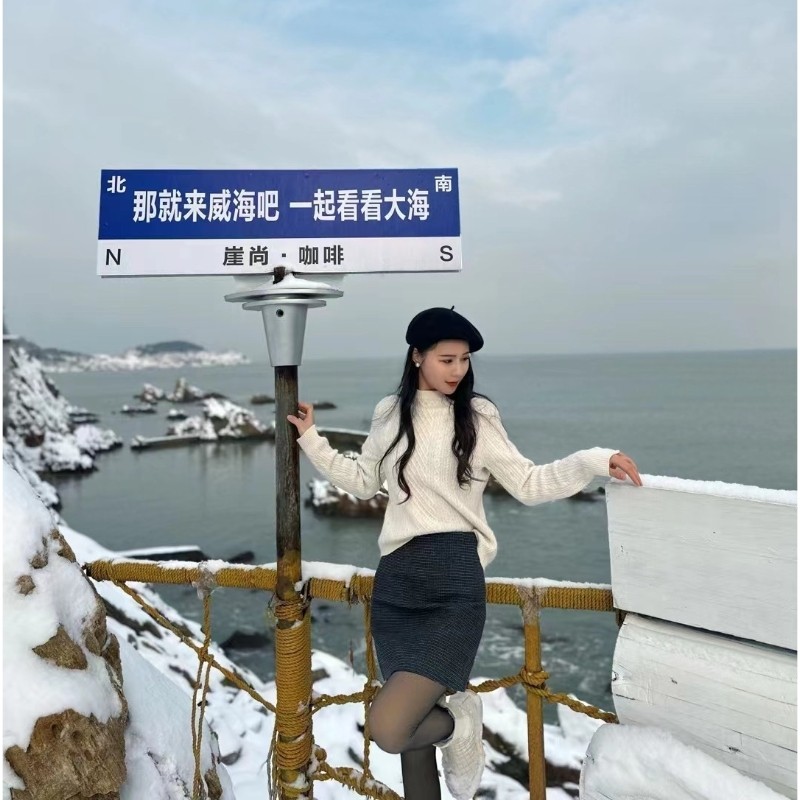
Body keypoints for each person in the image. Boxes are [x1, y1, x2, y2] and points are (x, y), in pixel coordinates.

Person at [287, 307, 642, 800]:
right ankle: (450, 732)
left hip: (453, 582)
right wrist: (311, 439)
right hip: (397, 584)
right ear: (417, 357)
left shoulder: (477, 415)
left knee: (389, 728)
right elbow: (365, 481)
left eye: (465, 360)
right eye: (447, 359)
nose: (458, 370)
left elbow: (528, 482)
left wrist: (594, 460)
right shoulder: (389, 412)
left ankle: (458, 724)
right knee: (412, 740)